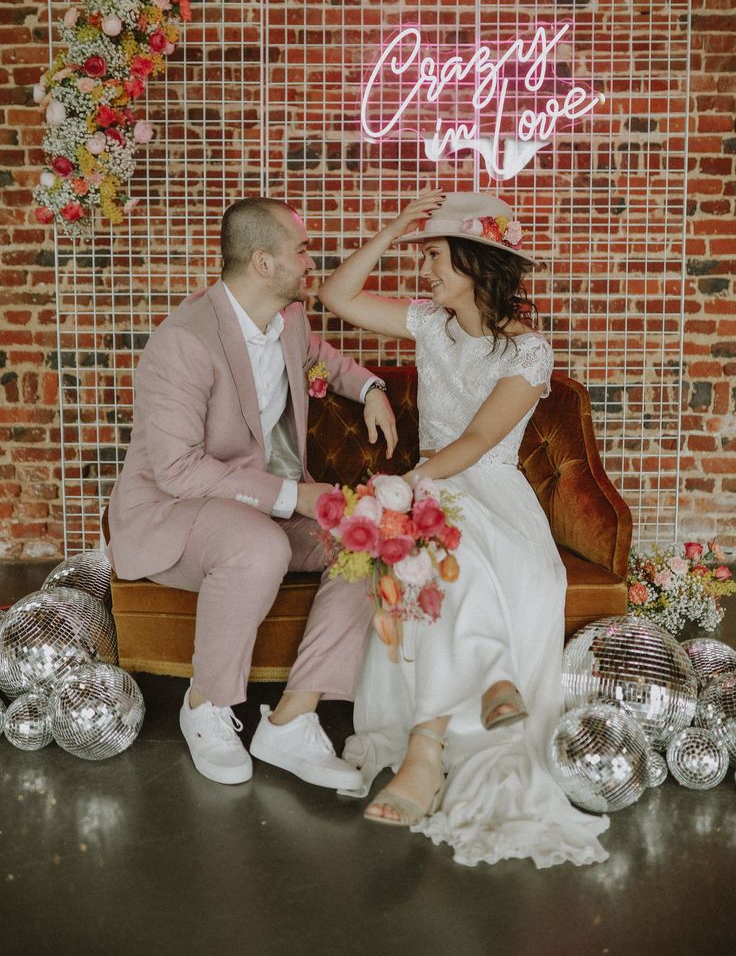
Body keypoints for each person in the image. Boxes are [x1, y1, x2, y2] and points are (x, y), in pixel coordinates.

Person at [317, 189, 610, 868]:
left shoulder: (527, 353)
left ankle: (435, 740)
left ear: (476, 265)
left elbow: (479, 439)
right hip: (434, 484)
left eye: (435, 255)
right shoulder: (427, 324)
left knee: (456, 538)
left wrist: (414, 482)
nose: (424, 269)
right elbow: (336, 295)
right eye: (422, 255)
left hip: (489, 488)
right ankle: (483, 685)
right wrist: (393, 228)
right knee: (439, 542)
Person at [108, 195, 412, 789]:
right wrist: (291, 497)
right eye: (301, 249)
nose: (311, 259)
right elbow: (177, 471)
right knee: (259, 547)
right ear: (263, 263)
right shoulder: (183, 343)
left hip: (253, 504)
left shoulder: (288, 319)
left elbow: (321, 359)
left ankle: (293, 720)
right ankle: (206, 707)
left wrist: (371, 387)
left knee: (369, 539)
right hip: (172, 512)